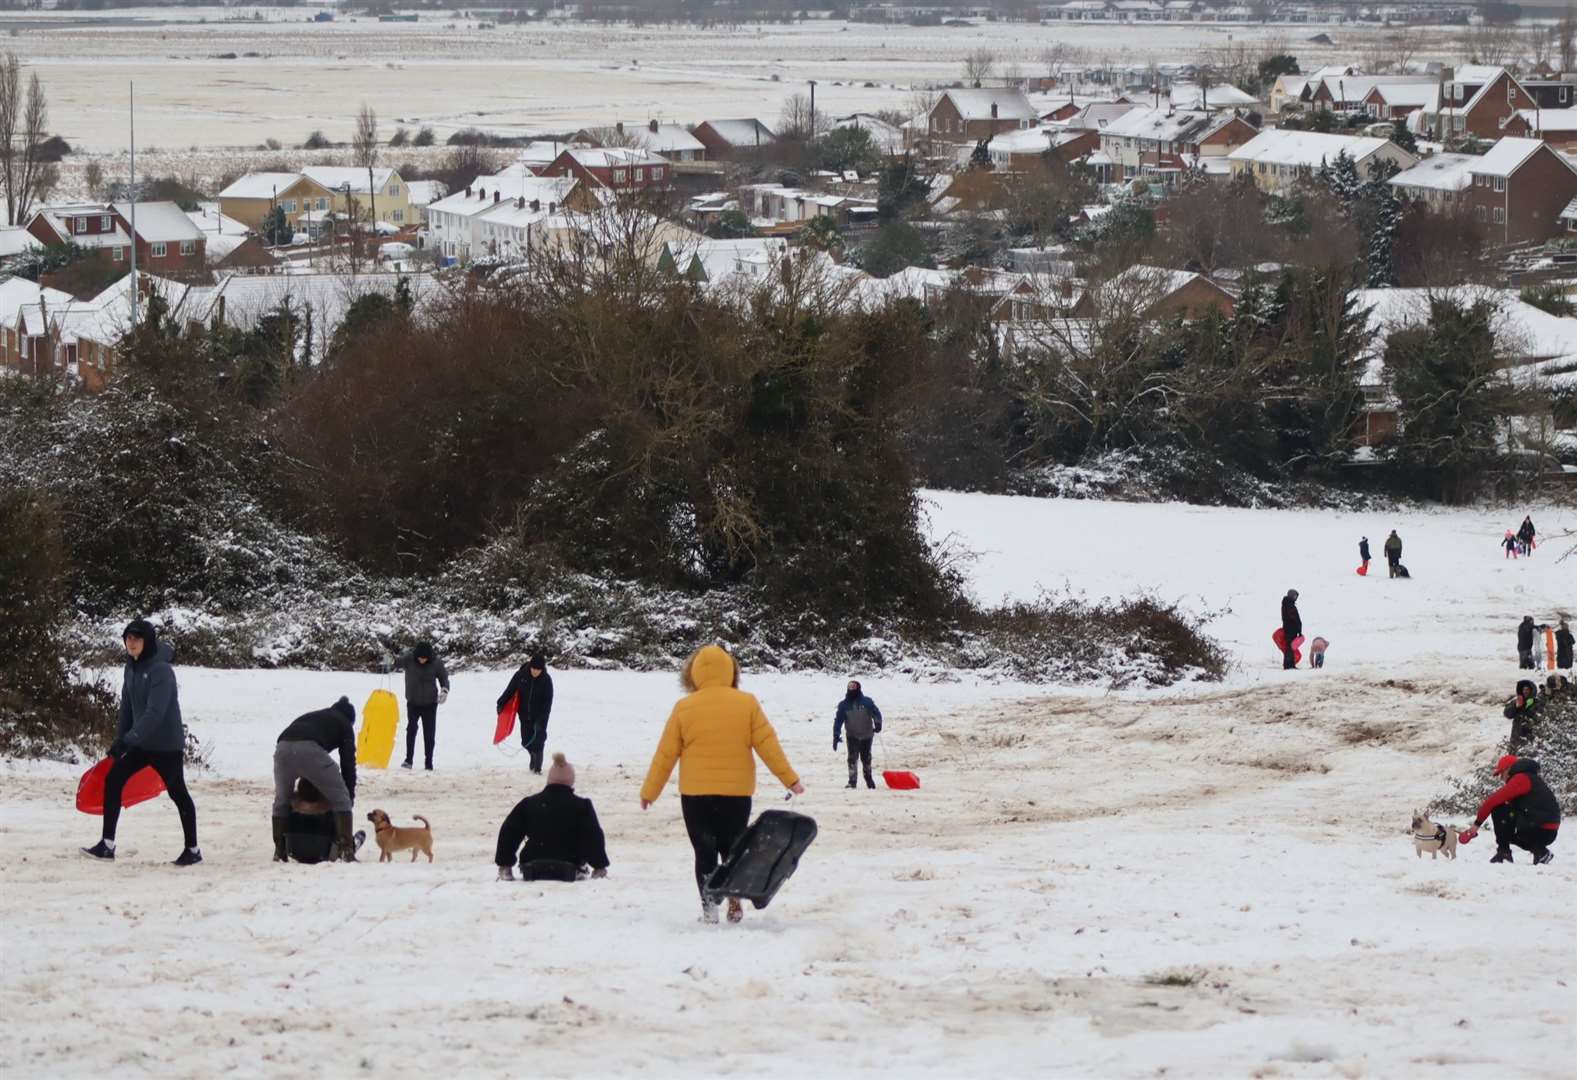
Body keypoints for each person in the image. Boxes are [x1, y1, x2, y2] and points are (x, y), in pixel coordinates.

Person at [639, 644, 803, 925]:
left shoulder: (684, 707)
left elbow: (665, 755)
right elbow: (768, 745)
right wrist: (790, 779)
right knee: (733, 849)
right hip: (736, 794)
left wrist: (650, 791)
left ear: (693, 674)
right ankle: (734, 899)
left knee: (704, 850)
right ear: (731, 672)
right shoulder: (747, 703)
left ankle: (708, 907)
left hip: (695, 795)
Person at [81, 618, 201, 866]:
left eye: (136, 638)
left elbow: (154, 714)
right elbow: (127, 707)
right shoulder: (131, 667)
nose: (131, 643)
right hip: (141, 744)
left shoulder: (161, 671)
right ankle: (107, 844)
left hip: (166, 745)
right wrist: (120, 741)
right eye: (128, 638)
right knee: (114, 779)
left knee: (177, 793)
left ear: (147, 642)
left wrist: (129, 739)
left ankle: (193, 849)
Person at [494, 752, 610, 882]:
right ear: (571, 781)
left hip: (532, 863)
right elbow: (593, 836)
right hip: (570, 864)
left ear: (549, 779)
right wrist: (599, 865)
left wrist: (505, 864)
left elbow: (509, 831)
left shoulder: (529, 803)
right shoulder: (581, 806)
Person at [272, 697, 359, 863]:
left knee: (282, 800)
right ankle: (345, 851)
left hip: (282, 748)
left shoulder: (316, 716)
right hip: (309, 749)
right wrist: (349, 796)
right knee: (341, 798)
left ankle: (280, 850)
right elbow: (348, 763)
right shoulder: (345, 724)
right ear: (350, 719)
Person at [1459, 755, 1560, 865]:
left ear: (1508, 768)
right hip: (1546, 829)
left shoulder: (1521, 778)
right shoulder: (1531, 778)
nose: (1501, 778)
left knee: (1499, 809)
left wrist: (1475, 826)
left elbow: (1491, 802)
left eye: (1501, 773)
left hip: (1539, 829)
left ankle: (1504, 852)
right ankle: (1540, 852)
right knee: (1506, 825)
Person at [392, 640, 449, 771]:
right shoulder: (409, 658)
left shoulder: (436, 663)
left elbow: (444, 678)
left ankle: (429, 762)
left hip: (430, 704)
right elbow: (396, 662)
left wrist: (445, 690)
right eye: (420, 658)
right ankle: (408, 760)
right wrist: (389, 660)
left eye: (424, 658)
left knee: (429, 734)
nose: (422, 660)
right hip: (413, 703)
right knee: (411, 730)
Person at [284, 779, 366, 864]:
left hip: (295, 852)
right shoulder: (329, 808)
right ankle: (350, 847)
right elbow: (338, 833)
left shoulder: (291, 807)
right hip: (323, 854)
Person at [497, 653, 554, 774]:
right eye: (533, 668)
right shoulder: (521, 675)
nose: (535, 671)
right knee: (525, 742)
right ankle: (533, 755)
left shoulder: (546, 681)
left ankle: (537, 768)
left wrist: (542, 721)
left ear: (542, 669)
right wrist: (501, 703)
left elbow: (547, 704)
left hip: (539, 716)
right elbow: (510, 690)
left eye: (538, 669)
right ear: (530, 666)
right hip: (524, 715)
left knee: (538, 741)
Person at [833, 679, 883, 790]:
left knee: (866, 758)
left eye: (853, 687)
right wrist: (836, 734)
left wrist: (878, 723)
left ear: (858, 688)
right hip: (852, 735)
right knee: (852, 759)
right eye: (849, 687)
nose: (851, 689)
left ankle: (869, 780)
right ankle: (852, 782)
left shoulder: (867, 702)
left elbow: (876, 713)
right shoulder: (843, 705)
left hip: (867, 735)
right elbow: (838, 720)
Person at [1504, 679, 1541, 752]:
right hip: (1515, 739)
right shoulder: (1516, 702)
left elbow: (1537, 716)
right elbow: (1507, 714)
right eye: (1523, 689)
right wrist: (1515, 706)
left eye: (1527, 689)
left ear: (1532, 690)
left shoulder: (1537, 703)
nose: (1525, 691)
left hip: (1530, 740)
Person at [1280, 589, 1302, 670]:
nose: (1296, 598)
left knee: (1290, 647)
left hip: (1289, 628)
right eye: (1295, 596)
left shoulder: (1286, 604)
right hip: (1291, 629)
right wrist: (1298, 629)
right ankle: (1289, 665)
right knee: (1290, 647)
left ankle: (1290, 665)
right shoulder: (1289, 605)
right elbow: (1294, 618)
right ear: (1291, 595)